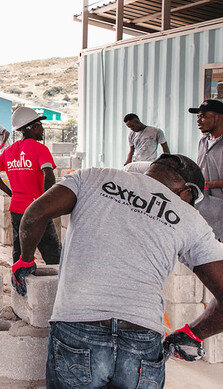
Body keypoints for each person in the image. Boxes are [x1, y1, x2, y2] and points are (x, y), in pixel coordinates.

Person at [13, 154, 223, 388]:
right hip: (141, 338)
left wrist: (25, 259)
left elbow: (34, 215)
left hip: (79, 328)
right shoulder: (190, 219)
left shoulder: (93, 176)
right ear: (186, 192)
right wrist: (193, 333)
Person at [0, 107, 61, 264]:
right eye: (40, 125)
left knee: (20, 255)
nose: (42, 129)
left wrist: (10, 192)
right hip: (37, 210)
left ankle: (18, 286)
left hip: (17, 210)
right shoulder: (40, 149)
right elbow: (48, 174)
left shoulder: (9, 151)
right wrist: (48, 203)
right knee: (53, 256)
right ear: (32, 128)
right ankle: (57, 287)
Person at [191, 99, 223, 240]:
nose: (199, 121)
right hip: (205, 209)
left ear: (219, 117)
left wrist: (208, 185)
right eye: (198, 116)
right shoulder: (203, 141)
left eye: (203, 116)